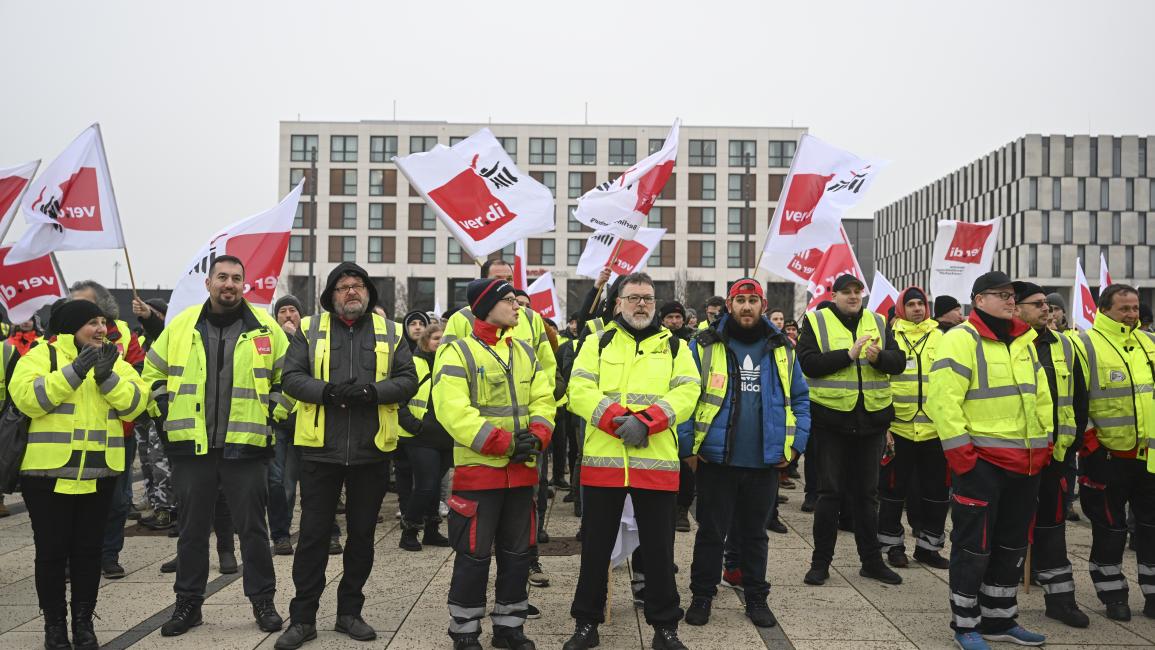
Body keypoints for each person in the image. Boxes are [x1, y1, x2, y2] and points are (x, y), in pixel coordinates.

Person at [143, 255, 288, 637]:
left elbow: (289, 377)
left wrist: (274, 411)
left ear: (245, 284)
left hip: (248, 447)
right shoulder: (180, 326)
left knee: (254, 531)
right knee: (191, 531)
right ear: (208, 283)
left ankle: (263, 602)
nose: (229, 283)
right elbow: (152, 371)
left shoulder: (266, 329)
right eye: (222, 277)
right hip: (192, 448)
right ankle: (188, 605)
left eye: (236, 278)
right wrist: (161, 405)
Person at [275, 263, 417, 648]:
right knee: (313, 538)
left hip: (372, 451)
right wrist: (328, 393)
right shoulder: (309, 328)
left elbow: (408, 380)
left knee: (362, 538)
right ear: (330, 295)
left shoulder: (391, 331)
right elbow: (291, 377)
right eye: (343, 287)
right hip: (320, 451)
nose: (351, 292)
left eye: (357, 286)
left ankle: (349, 613)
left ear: (368, 292)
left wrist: (373, 393)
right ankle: (302, 618)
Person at [564, 272, 700, 650]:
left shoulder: (676, 347)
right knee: (595, 551)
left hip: (654, 465)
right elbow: (578, 389)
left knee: (659, 552)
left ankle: (665, 628)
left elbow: (689, 390)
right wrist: (616, 420)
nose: (642, 304)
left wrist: (647, 422)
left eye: (648, 298)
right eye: (634, 297)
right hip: (604, 464)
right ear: (618, 302)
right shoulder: (597, 342)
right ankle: (586, 625)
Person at [11, 299, 147, 650]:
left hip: (99, 475)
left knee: (89, 554)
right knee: (52, 553)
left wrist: (106, 377)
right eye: (92, 323)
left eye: (103, 322)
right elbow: (28, 398)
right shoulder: (42, 356)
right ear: (72, 327)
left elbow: (135, 403)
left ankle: (84, 624)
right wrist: (75, 372)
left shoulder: (112, 360)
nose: (102, 329)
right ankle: (54, 628)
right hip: (46, 477)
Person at [927, 271, 1052, 649]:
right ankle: (966, 625)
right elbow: (943, 401)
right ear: (979, 300)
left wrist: (1045, 443)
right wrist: (962, 456)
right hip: (981, 463)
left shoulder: (1024, 340)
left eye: (1012, 295)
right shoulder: (961, 339)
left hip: (1026, 463)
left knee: (1012, 546)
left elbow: (1040, 395)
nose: (1010, 300)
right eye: (1001, 294)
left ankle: (1000, 620)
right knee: (972, 548)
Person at [680, 279, 810, 630]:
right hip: (716, 460)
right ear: (730, 305)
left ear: (763, 305)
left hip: (764, 462)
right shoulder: (704, 344)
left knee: (755, 535)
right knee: (710, 532)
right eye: (740, 300)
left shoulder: (782, 346)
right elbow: (685, 397)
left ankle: (756, 597)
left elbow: (800, 399)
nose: (747, 306)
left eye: (753, 300)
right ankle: (702, 595)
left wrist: (796, 446)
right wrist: (690, 448)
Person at [435, 278, 554, 650]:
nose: (518, 305)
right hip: (479, 473)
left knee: (518, 554)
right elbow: (452, 410)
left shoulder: (525, 351)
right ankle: (465, 629)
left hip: (520, 472)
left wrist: (536, 437)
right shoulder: (457, 352)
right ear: (486, 307)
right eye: (508, 300)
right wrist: (503, 443)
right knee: (473, 555)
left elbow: (544, 399)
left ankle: (509, 627)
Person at [796, 274, 905, 587]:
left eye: (858, 291)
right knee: (829, 494)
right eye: (847, 292)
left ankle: (871, 562)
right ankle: (820, 563)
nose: (854, 296)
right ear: (834, 295)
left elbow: (899, 362)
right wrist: (849, 355)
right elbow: (808, 364)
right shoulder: (816, 321)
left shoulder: (879, 321)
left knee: (868, 495)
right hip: (832, 421)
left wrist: (880, 357)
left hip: (871, 421)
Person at [1070, 283, 1155, 622]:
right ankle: (1112, 594)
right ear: (1105, 309)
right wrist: (1090, 441)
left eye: (1136, 308)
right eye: (1125, 309)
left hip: (1147, 457)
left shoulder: (1149, 343)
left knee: (1150, 528)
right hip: (1104, 457)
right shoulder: (1084, 344)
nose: (1133, 314)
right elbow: (1077, 400)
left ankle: (1152, 594)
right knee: (1110, 530)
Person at [1013, 281, 1089, 628]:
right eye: (1038, 304)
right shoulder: (1002, 345)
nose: (1047, 309)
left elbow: (1078, 397)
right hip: (1012, 457)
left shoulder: (1065, 345)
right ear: (1017, 308)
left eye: (1048, 304)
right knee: (1007, 529)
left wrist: (1071, 445)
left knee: (1052, 529)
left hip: (1055, 456)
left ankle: (1060, 600)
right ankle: (995, 605)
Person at [876, 286, 951, 570]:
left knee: (936, 494)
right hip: (899, 429)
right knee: (893, 492)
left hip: (935, 429)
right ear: (901, 308)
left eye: (921, 303)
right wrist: (885, 425)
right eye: (911, 304)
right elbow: (881, 382)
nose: (917, 308)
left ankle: (929, 548)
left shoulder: (942, 337)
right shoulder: (890, 336)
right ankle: (893, 547)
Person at [397, 323, 453, 551]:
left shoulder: (450, 364)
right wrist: (414, 426)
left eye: (444, 338)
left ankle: (432, 531)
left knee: (434, 487)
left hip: (445, 437)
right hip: (419, 437)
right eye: (435, 338)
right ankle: (409, 531)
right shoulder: (413, 364)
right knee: (426, 485)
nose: (440, 342)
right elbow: (398, 399)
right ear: (425, 341)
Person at [268, 295, 305, 555]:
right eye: (283, 311)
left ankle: (329, 533)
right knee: (279, 482)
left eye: (293, 310)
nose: (288, 315)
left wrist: (293, 337)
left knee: (311, 484)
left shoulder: (311, 338)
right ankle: (281, 534)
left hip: (306, 422)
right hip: (279, 422)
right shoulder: (268, 339)